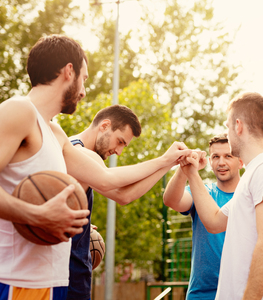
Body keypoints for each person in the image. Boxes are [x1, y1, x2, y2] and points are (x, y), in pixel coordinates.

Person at [0, 34, 190, 300]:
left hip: (52, 281)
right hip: (14, 280)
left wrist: (167, 160)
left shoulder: (55, 134)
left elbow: (106, 178)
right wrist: (37, 214)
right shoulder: (19, 110)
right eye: (84, 79)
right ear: (69, 71)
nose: (84, 91)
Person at [180, 92, 263, 299]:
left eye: (227, 126)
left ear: (238, 126)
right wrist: (191, 173)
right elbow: (214, 221)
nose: (227, 131)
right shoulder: (253, 175)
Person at [67, 104, 178, 300]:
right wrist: (163, 160)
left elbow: (124, 195)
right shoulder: (78, 151)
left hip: (73, 270)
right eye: (119, 141)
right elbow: (114, 186)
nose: (118, 151)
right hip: (68, 271)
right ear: (104, 125)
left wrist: (169, 163)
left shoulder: (77, 152)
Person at [163, 133, 243, 300]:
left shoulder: (250, 196)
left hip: (240, 292)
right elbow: (171, 200)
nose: (221, 162)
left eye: (228, 156)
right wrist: (184, 169)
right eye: (215, 156)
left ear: (241, 161)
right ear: (210, 162)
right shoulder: (202, 192)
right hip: (201, 294)